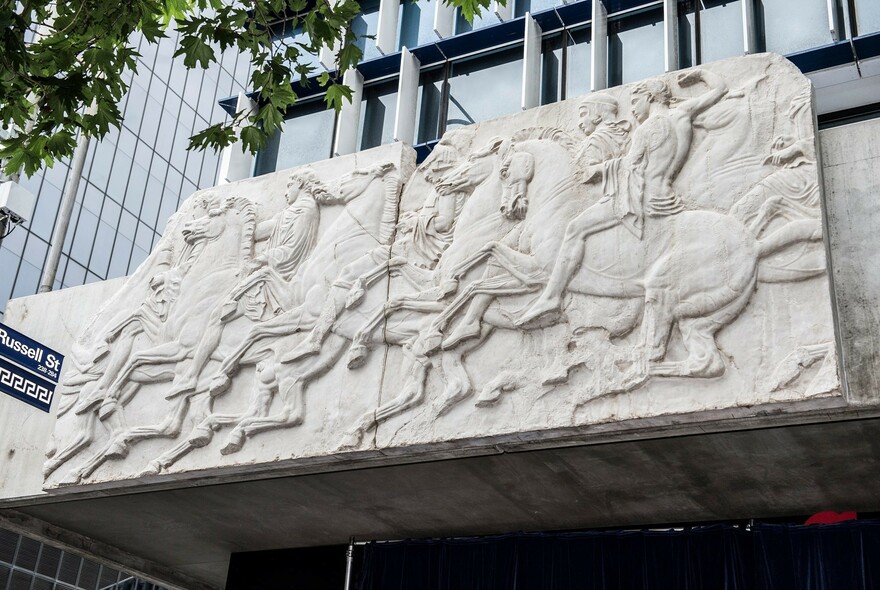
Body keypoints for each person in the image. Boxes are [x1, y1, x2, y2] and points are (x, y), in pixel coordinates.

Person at [516, 68, 729, 328]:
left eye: (635, 102)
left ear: (649, 97)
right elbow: (720, 90)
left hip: (640, 197)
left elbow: (631, 166)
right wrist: (702, 74)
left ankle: (551, 297)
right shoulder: (682, 114)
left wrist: (599, 169)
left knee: (575, 229)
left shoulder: (647, 128)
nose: (634, 110)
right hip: (666, 194)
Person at [166, 169, 329, 398]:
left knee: (217, 316)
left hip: (277, 276)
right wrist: (234, 224)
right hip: (266, 270)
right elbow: (260, 231)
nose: (284, 193)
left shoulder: (306, 210)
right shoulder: (289, 212)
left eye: (288, 186)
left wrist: (261, 258)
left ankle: (192, 376)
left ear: (300, 184)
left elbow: (292, 251)